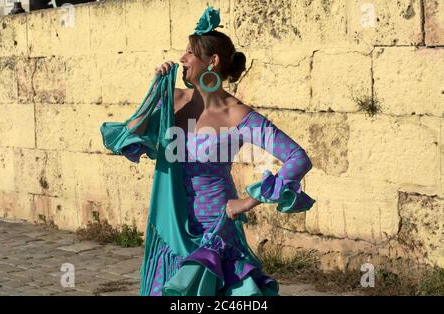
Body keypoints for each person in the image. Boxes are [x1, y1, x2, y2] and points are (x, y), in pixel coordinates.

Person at [121, 7, 315, 296]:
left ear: (212, 61)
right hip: (171, 223)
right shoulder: (172, 100)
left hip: (215, 229)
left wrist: (248, 201)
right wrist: (155, 89)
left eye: (190, 53)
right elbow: (129, 134)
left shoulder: (237, 115)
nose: (181, 58)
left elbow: (298, 158)